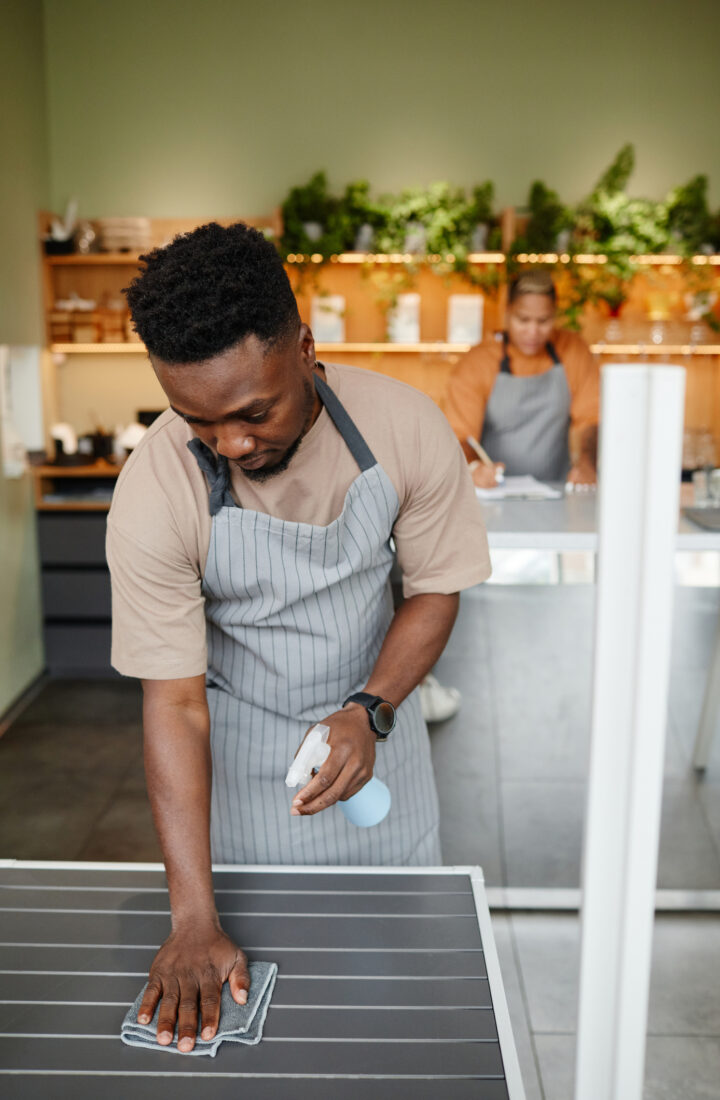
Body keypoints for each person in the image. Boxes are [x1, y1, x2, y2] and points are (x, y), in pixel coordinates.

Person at [107, 222, 491, 1052]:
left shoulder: (403, 428)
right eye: (199, 422)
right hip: (241, 775)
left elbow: (433, 590)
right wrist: (194, 919)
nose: (233, 445)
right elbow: (173, 704)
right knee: (275, 1036)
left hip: (382, 742)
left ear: (306, 349)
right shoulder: (153, 491)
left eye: (253, 412)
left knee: (397, 1019)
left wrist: (371, 710)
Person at [444, 270, 599, 488]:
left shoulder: (573, 350)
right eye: (523, 320)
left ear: (555, 315)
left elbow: (591, 419)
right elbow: (460, 436)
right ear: (507, 313)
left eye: (543, 321)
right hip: (493, 494)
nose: (533, 331)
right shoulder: (478, 362)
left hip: (556, 493)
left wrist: (587, 464)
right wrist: (473, 468)